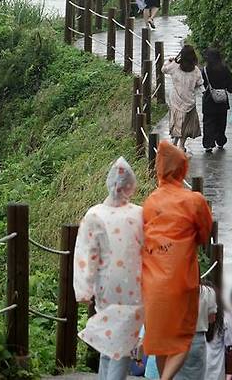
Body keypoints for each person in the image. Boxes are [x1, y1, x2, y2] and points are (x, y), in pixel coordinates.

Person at [141, 141, 213, 380]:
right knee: (183, 339)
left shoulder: (150, 201)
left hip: (152, 280)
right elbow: (204, 235)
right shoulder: (194, 201)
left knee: (161, 341)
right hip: (181, 279)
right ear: (183, 168)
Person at [74, 157, 144, 380]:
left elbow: (86, 253)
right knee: (120, 346)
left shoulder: (94, 214)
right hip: (136, 286)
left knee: (110, 342)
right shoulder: (140, 214)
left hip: (106, 286)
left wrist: (84, 290)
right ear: (131, 185)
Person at [144, 280, 217, 380]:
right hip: (197, 340)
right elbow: (212, 318)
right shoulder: (208, 292)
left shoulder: (175, 290)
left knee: (174, 375)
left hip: (176, 337)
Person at [162, 45, 203, 154]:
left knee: (177, 123)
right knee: (185, 125)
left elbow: (164, 69)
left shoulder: (175, 66)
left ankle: (174, 144)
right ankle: (181, 146)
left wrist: (168, 61)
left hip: (176, 100)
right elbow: (200, 83)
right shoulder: (196, 70)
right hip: (190, 101)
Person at [201, 47, 232, 154]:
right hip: (222, 100)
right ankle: (220, 141)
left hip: (209, 100)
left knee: (208, 123)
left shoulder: (205, 70)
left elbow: (201, 85)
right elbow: (231, 83)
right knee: (221, 122)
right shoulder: (224, 69)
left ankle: (208, 144)